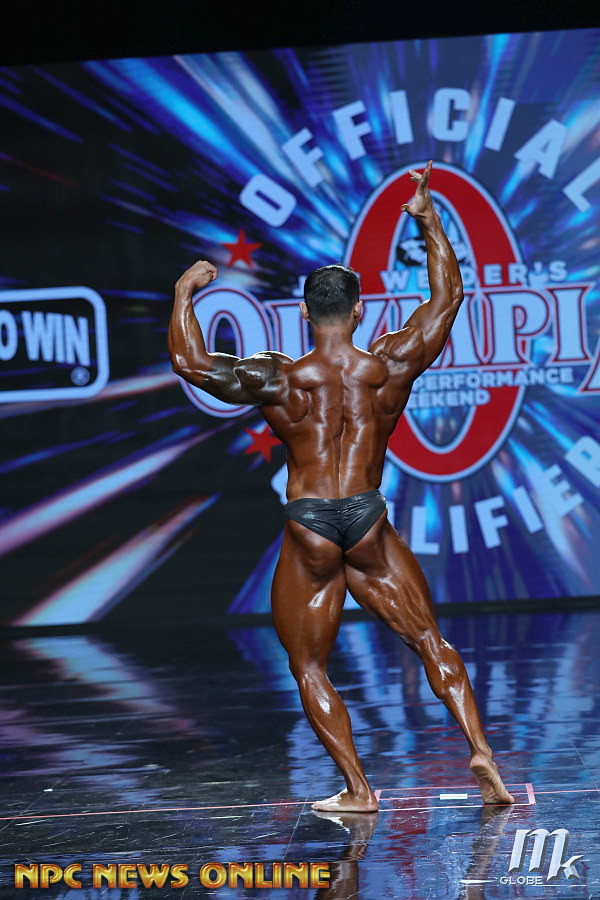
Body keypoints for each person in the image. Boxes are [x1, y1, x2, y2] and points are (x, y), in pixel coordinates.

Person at [168, 161, 515, 813]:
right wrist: (429, 220)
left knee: (309, 666)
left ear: (304, 313)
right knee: (429, 639)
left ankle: (359, 789)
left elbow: (190, 361)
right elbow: (448, 299)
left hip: (310, 523)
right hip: (365, 516)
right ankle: (481, 752)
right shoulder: (388, 365)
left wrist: (186, 291)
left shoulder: (279, 378)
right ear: (359, 310)